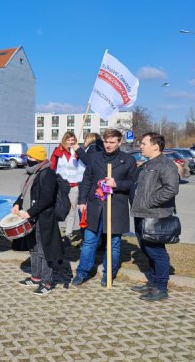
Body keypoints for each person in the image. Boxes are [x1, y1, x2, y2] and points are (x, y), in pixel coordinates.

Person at [73, 129, 137, 286]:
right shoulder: (95, 158)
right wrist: (82, 201)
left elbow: (134, 184)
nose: (108, 145)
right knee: (89, 241)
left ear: (119, 142)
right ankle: (82, 272)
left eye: (112, 142)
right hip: (95, 207)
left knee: (113, 243)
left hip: (115, 208)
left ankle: (108, 274)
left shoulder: (128, 160)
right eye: (106, 142)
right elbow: (87, 180)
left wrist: (117, 184)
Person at [131, 132, 179, 301]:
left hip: (155, 216)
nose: (140, 146)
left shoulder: (166, 165)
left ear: (155, 146)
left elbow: (171, 189)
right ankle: (153, 282)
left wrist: (149, 202)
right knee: (146, 250)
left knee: (157, 252)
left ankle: (161, 287)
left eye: (144, 143)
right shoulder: (146, 164)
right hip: (141, 214)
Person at [12, 146, 64, 294]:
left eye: (30, 158)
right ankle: (35, 277)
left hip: (43, 218)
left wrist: (29, 212)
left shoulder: (48, 174)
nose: (27, 160)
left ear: (37, 159)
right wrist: (17, 203)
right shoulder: (32, 172)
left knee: (43, 251)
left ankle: (46, 282)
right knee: (33, 249)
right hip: (32, 217)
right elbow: (25, 193)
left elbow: (46, 199)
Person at [50, 131, 85, 241]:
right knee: (58, 208)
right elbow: (52, 165)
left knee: (72, 209)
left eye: (72, 140)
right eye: (68, 140)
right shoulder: (58, 151)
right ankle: (55, 231)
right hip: (61, 185)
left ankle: (68, 234)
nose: (70, 142)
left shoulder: (78, 151)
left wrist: (78, 153)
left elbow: (85, 164)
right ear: (64, 140)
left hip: (74, 185)